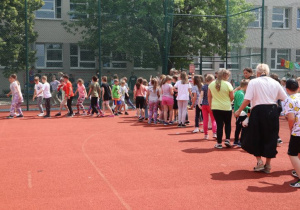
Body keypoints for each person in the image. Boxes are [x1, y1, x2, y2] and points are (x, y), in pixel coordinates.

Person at [235, 64, 287, 173]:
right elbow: (284, 98)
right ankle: (268, 165)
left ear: (257, 73)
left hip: (258, 111)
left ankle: (259, 162)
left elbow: (247, 99)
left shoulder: (253, 82)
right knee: (271, 136)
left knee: (255, 136)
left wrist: (239, 110)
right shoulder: (275, 82)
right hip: (272, 110)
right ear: (267, 72)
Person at [208, 69, 234, 149]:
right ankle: (227, 140)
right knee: (228, 124)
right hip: (226, 107)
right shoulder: (228, 84)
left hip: (215, 107)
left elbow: (209, 96)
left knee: (219, 124)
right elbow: (232, 97)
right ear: (225, 76)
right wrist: (228, 101)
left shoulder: (211, 84)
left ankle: (219, 143)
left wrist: (210, 106)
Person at [283, 79, 300, 187]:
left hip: (297, 131)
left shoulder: (289, 99)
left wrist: (291, 128)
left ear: (287, 89)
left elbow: (291, 118)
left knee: (292, 154)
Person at [199, 74, 217, 139]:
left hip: (204, 104)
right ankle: (214, 133)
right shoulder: (213, 86)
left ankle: (206, 134)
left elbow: (201, 95)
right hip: (211, 104)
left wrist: (199, 103)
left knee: (205, 120)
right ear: (212, 80)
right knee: (213, 120)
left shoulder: (204, 86)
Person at [233, 79, 250, 146]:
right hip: (241, 113)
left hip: (239, 112)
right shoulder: (241, 93)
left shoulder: (238, 92)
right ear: (246, 86)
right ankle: (240, 141)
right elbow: (241, 104)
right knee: (243, 128)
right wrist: (250, 108)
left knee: (238, 128)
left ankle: (236, 141)